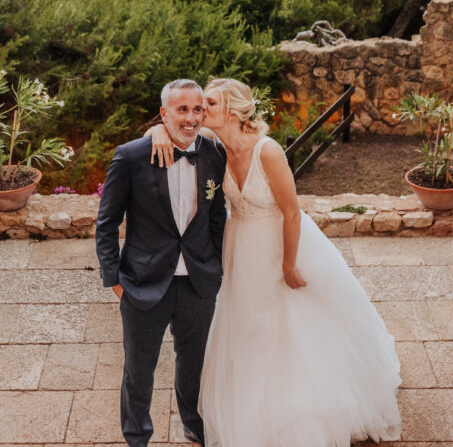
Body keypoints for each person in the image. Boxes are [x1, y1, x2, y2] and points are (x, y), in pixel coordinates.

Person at [150, 77, 402, 447]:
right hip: (240, 245)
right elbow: (169, 127)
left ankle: (299, 406)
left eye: (209, 104)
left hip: (280, 240)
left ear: (233, 111)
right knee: (246, 323)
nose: (201, 111)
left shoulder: (267, 151)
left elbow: (292, 212)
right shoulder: (213, 145)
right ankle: (252, 402)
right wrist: (159, 130)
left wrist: (289, 264)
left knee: (291, 320)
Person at [95, 79, 227, 447]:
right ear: (164, 114)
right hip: (143, 282)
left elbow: (217, 218)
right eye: (182, 109)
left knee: (193, 363)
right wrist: (114, 280)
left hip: (198, 282)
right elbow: (107, 223)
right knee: (139, 370)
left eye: (197, 109)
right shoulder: (131, 156)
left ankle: (193, 424)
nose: (191, 118)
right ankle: (137, 437)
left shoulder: (214, 154)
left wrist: (215, 269)